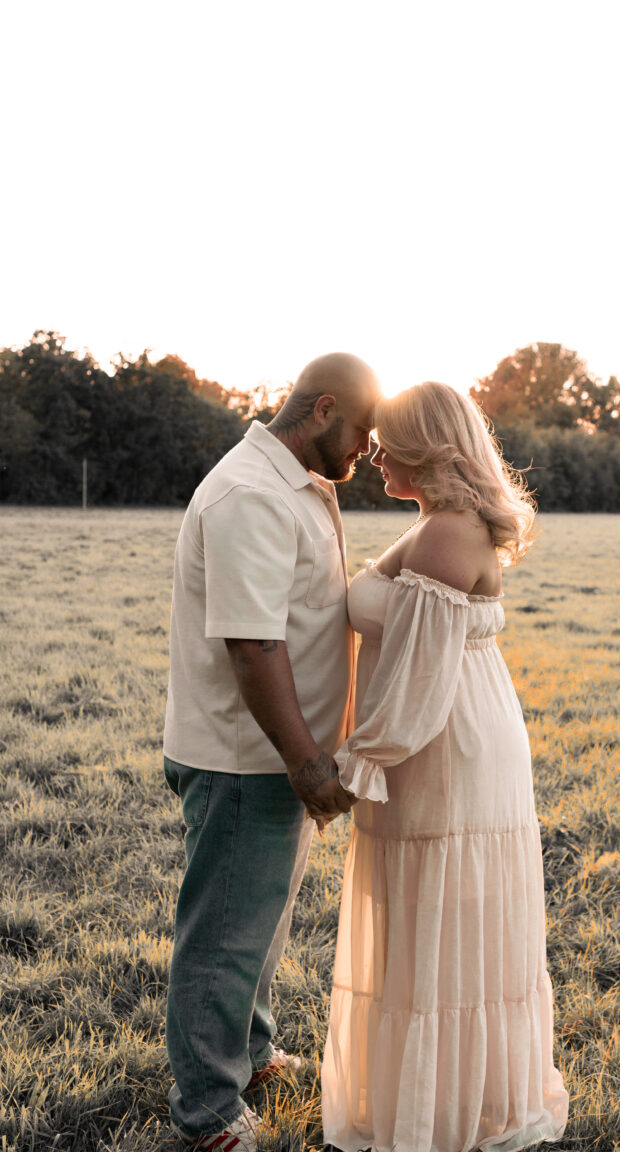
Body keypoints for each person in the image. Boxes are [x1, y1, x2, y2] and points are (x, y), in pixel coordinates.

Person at [321, 382, 569, 1152]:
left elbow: (419, 678)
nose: (373, 452)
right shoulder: (438, 522)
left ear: (425, 449)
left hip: (441, 740)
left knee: (439, 918)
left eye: (386, 440)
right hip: (458, 727)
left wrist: (358, 761)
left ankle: (437, 1114)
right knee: (433, 918)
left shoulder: (444, 533)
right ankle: (434, 1096)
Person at [163, 352, 380, 1150]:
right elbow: (254, 646)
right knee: (223, 932)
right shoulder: (252, 493)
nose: (366, 450)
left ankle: (248, 1055)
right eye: (362, 431)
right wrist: (306, 761)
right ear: (323, 410)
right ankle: (209, 1112)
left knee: (256, 921)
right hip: (244, 758)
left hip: (272, 759)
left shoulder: (296, 480)